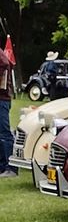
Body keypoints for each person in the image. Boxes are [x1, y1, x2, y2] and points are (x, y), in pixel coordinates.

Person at [0, 46, 16, 178]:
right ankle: (2, 166)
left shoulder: (2, 57)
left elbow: (5, 63)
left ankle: (11, 168)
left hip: (2, 99)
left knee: (5, 133)